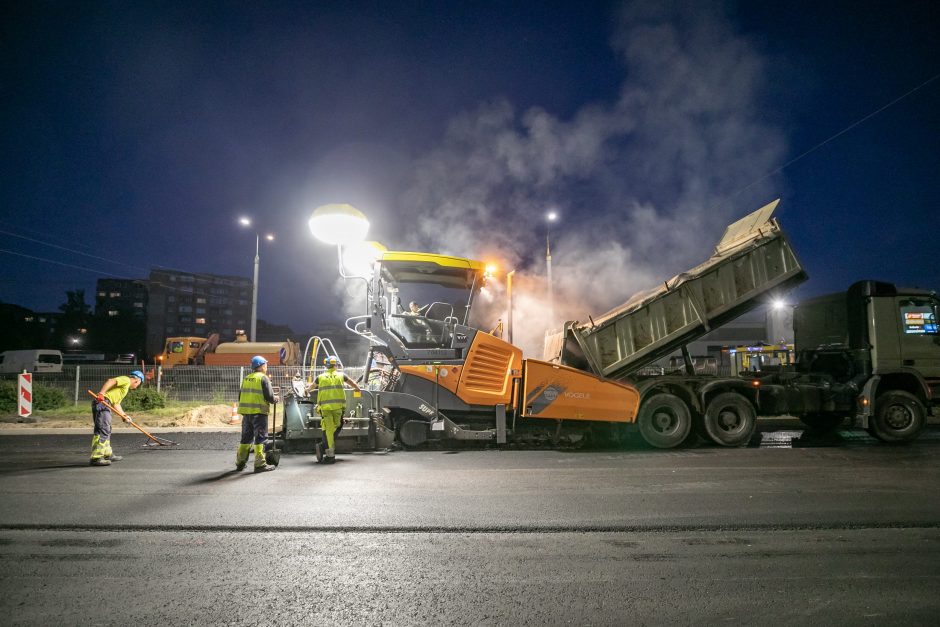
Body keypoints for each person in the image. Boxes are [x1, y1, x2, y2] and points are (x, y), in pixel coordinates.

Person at [307, 355, 361, 464]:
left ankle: (328, 453)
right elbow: (354, 384)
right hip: (338, 409)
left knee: (328, 431)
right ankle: (326, 449)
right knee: (337, 426)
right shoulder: (342, 375)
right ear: (336, 365)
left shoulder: (320, 377)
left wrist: (305, 390)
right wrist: (357, 389)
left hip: (325, 409)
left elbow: (310, 388)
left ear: (326, 365)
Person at [235, 355, 280, 473]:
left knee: (245, 439)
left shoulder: (246, 378)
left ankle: (240, 463)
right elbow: (270, 397)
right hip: (259, 414)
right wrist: (275, 398)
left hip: (246, 414)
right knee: (261, 439)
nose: (266, 366)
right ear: (261, 366)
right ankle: (260, 464)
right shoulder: (263, 378)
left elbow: (240, 396)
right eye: (265, 364)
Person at [91, 370, 144, 466]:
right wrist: (102, 393)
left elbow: (116, 404)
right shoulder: (126, 380)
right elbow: (111, 381)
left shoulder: (125, 388)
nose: (136, 387)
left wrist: (124, 416)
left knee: (107, 429)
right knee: (102, 429)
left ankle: (107, 454)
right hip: (103, 403)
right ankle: (96, 457)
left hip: (107, 403)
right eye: (139, 384)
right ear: (137, 380)